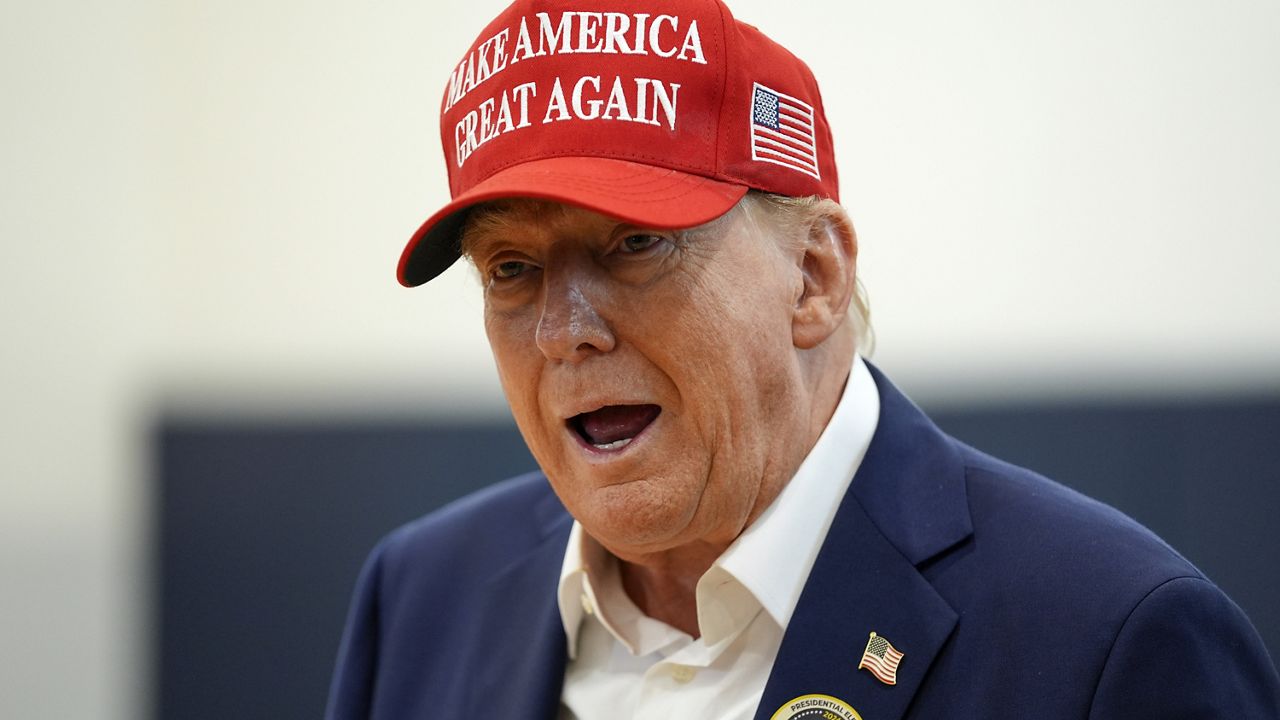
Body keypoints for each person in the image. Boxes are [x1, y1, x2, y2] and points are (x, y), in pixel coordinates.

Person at [326, 1, 1280, 718]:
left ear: (815, 277)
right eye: (514, 268)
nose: (564, 330)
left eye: (635, 244)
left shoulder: (1111, 640)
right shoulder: (419, 598)